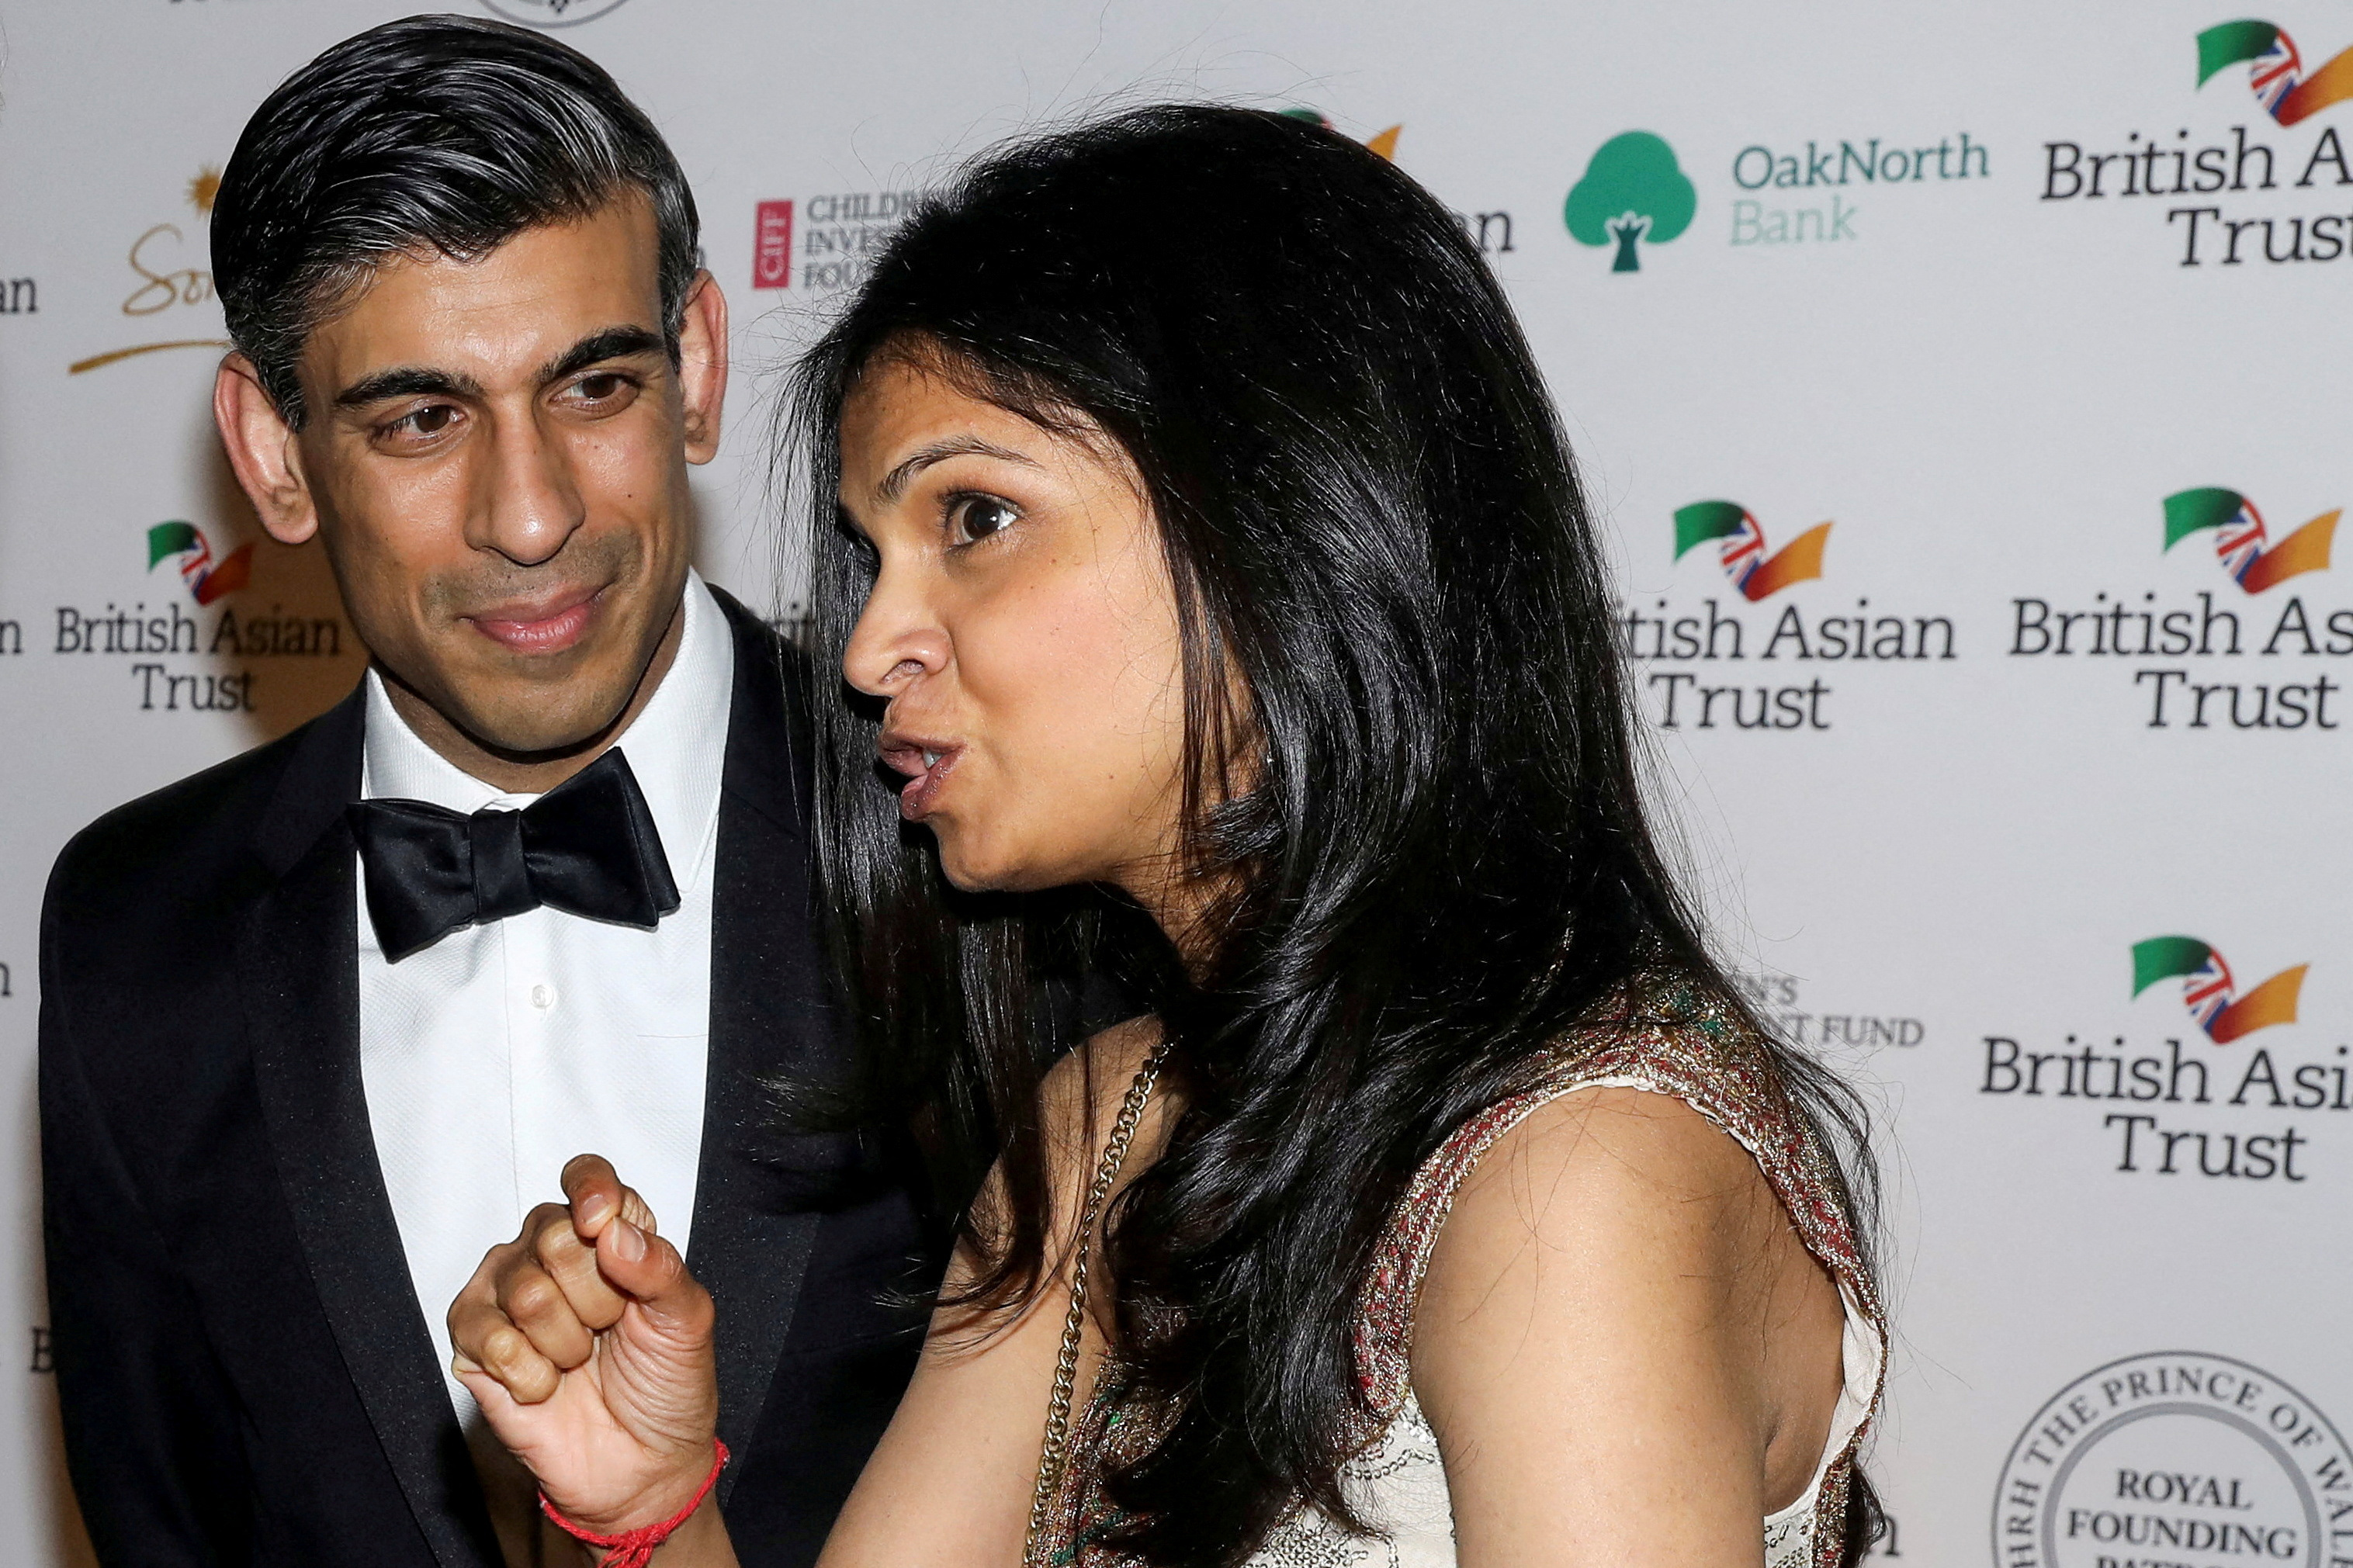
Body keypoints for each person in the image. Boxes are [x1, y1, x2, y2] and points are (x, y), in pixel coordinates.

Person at [449, 105, 1888, 1566]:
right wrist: (648, 1505)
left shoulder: (1572, 1168)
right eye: (874, 555)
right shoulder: (1105, 1119)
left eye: (978, 517)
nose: (872, 647)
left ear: (1284, 515)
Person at [38, 18, 944, 1567]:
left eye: (593, 386)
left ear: (698, 368)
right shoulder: (140, 929)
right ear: (274, 453)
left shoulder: (959, 844)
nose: (529, 517)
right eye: (421, 419)